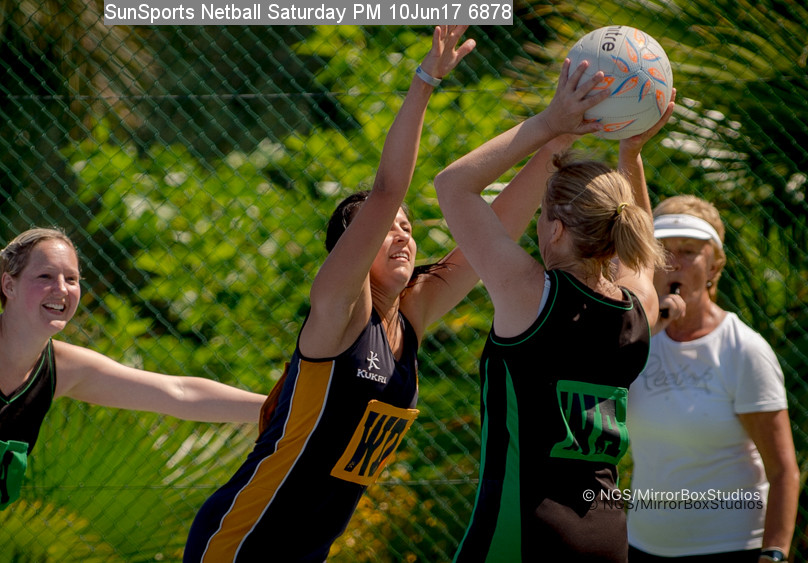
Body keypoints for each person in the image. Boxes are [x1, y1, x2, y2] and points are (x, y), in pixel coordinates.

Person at [183, 26, 559, 562]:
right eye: (388, 228)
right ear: (353, 248)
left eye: (408, 227)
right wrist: (425, 81)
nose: (402, 234)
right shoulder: (339, 311)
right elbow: (387, 190)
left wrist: (559, 140)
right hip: (244, 540)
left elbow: (491, 233)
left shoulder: (409, 318)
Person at [0, 227, 266, 562]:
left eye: (72, 279)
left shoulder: (62, 368)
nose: (62, 289)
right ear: (9, 285)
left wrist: (280, 407)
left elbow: (178, 393)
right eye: (45, 277)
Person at [435, 58, 675, 561]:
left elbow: (452, 184)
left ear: (558, 229)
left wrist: (553, 124)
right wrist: (630, 153)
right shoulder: (638, 310)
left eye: (543, 215)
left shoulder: (531, 297)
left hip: (524, 537)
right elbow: (640, 257)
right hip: (607, 539)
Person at [626, 195, 800, 563]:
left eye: (688, 251)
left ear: (714, 266)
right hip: (642, 545)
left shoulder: (743, 349)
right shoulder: (635, 341)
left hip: (730, 546)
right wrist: (648, 329)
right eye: (662, 250)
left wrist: (774, 553)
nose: (673, 262)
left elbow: (783, 470)